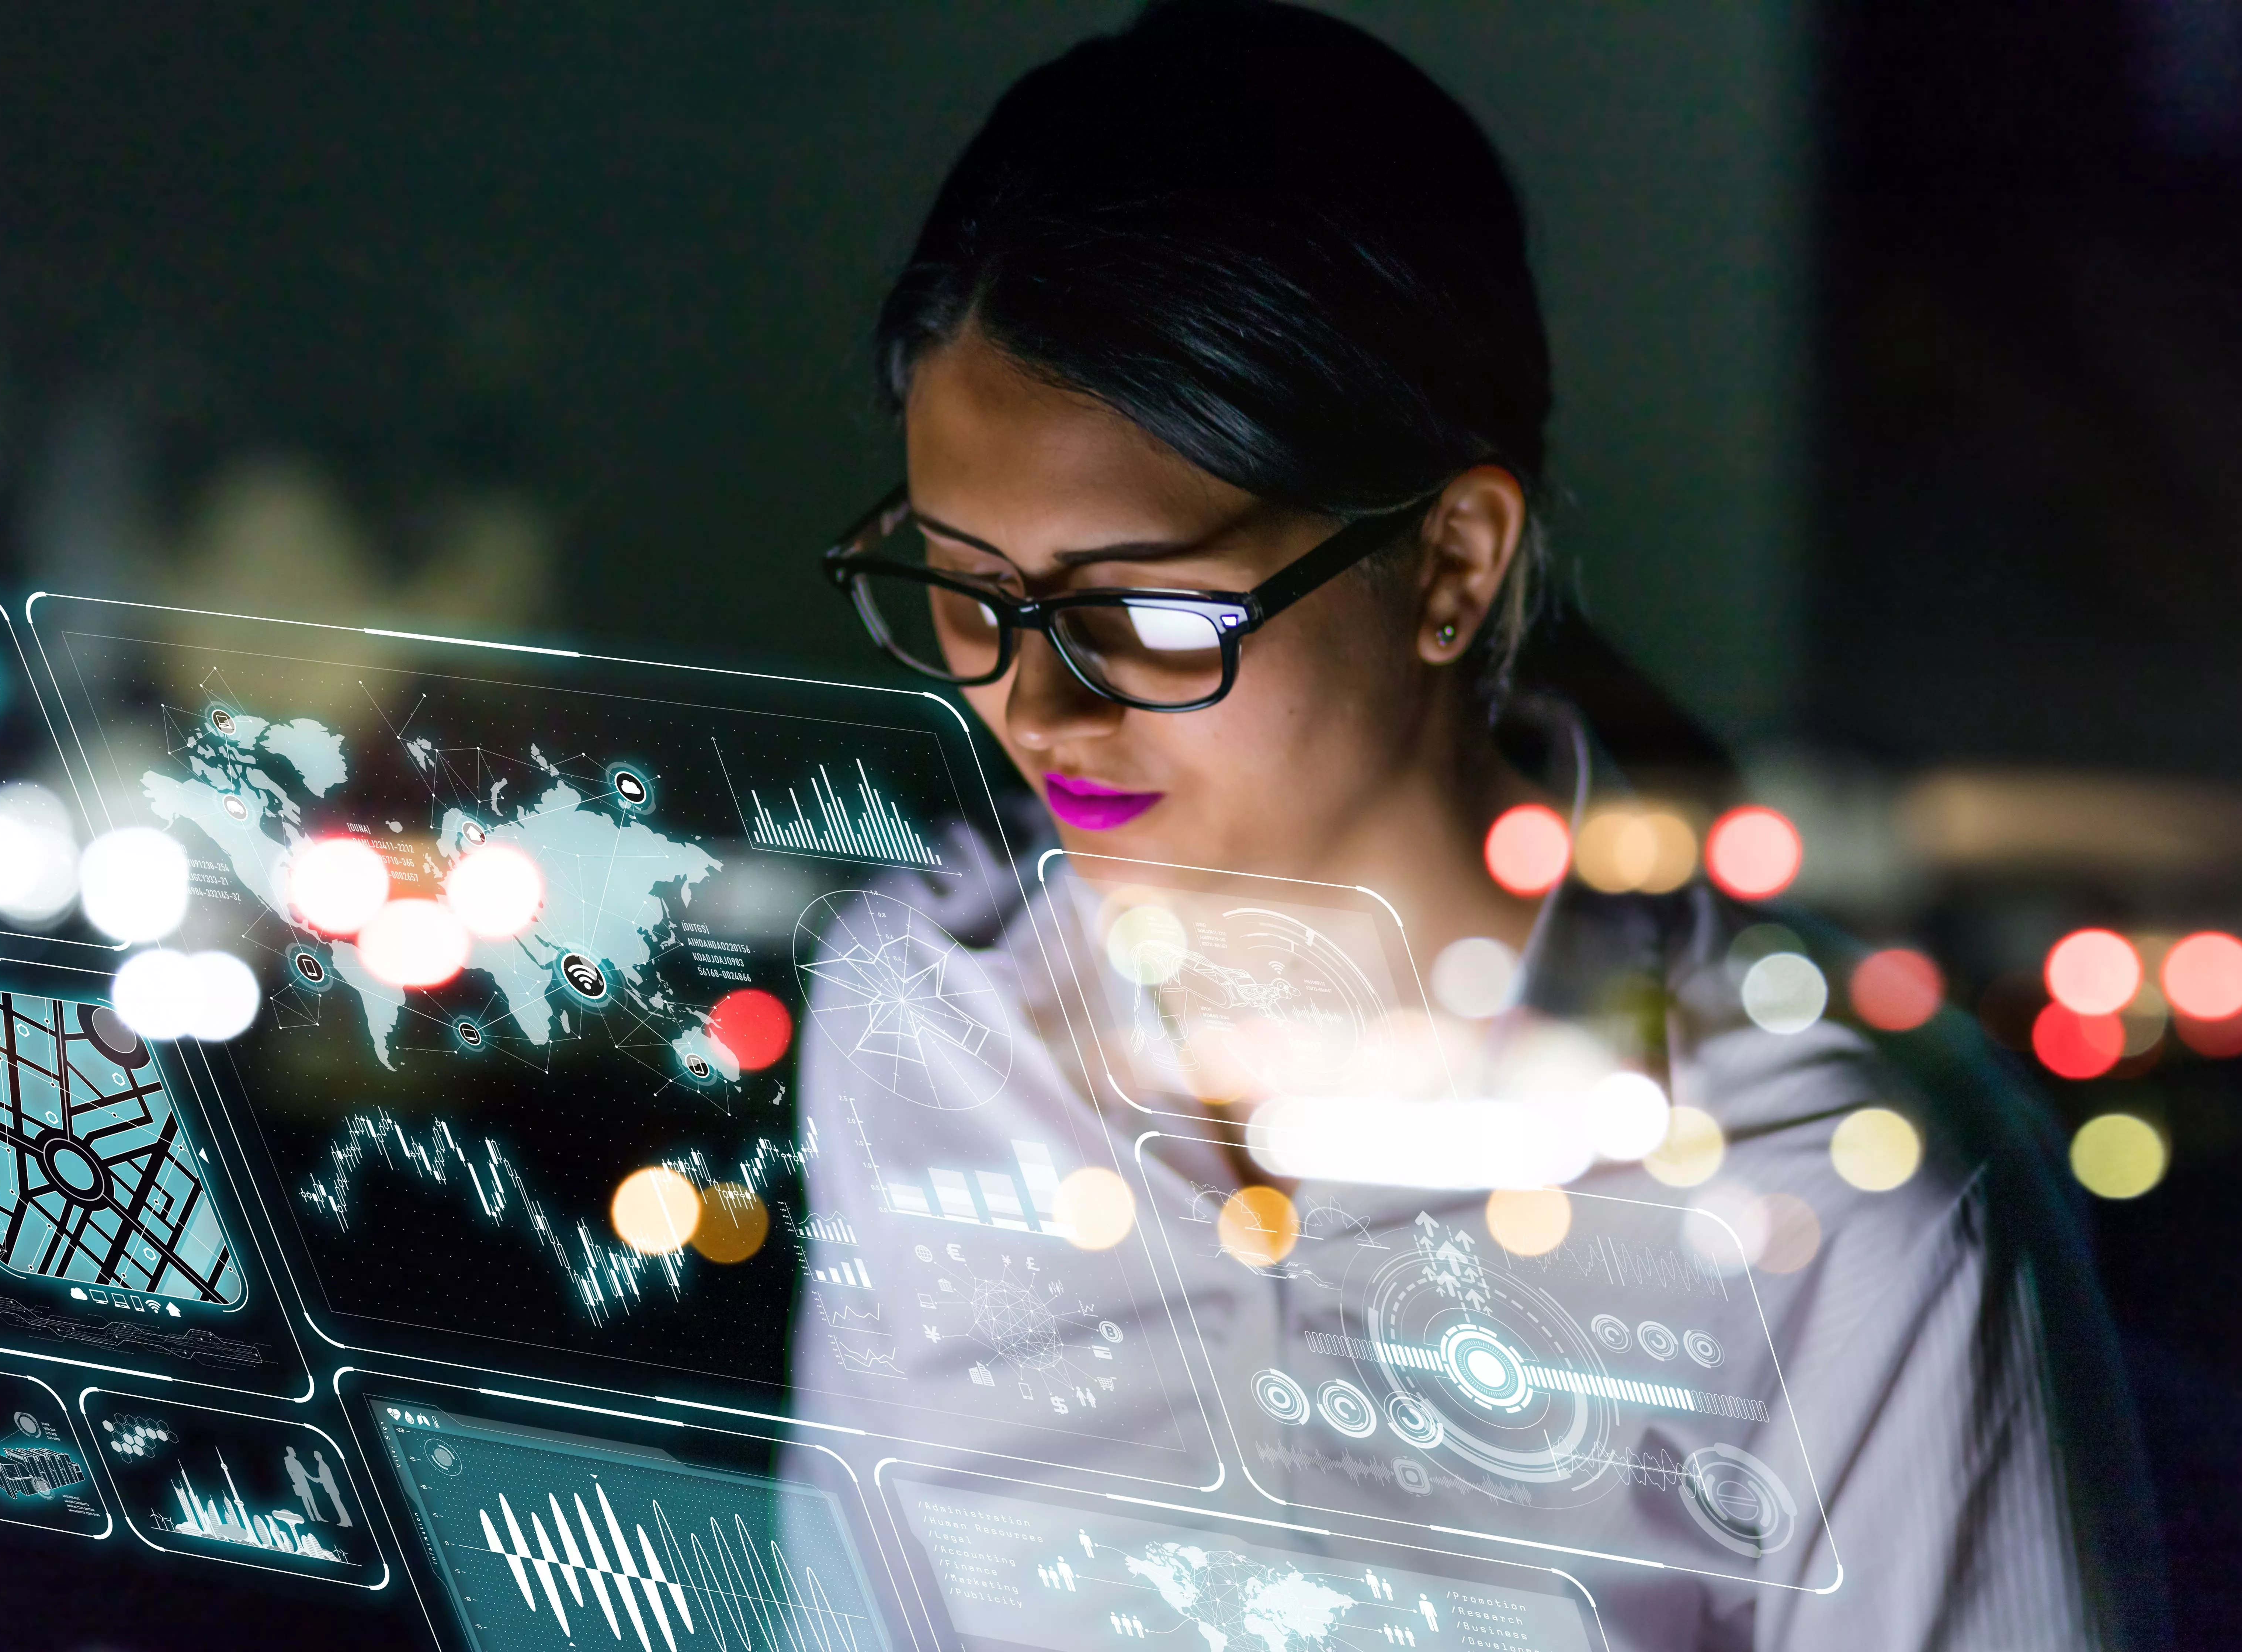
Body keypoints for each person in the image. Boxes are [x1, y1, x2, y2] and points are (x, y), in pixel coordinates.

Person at [797, 4, 2168, 1646]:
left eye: (1147, 608)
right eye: (962, 589)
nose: (1039, 706)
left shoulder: (1826, 1186)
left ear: (1451, 561)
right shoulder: (923, 1027)